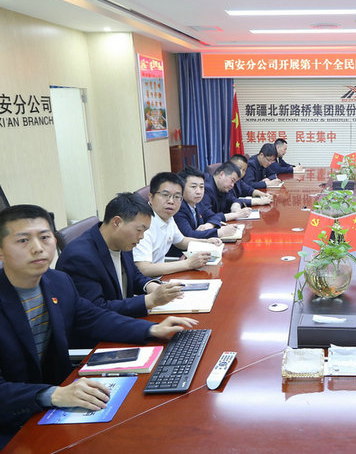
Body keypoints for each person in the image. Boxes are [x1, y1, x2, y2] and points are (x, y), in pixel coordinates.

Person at [0, 205, 197, 447]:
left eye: (44, 237)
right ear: (1, 251)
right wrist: (53, 394)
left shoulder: (57, 282)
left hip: (54, 407)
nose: (38, 248)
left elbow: (93, 317)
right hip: (11, 420)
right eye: (23, 240)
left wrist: (150, 330)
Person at [56, 193, 183, 321]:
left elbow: (133, 275)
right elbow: (96, 310)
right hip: (102, 329)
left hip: (122, 320)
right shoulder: (80, 258)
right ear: (117, 222)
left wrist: (152, 287)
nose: (141, 237)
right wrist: (149, 300)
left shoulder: (122, 241)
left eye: (145, 232)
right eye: (139, 230)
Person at [133, 172, 222, 277]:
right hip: (147, 282)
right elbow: (143, 269)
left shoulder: (167, 216)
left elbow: (181, 241)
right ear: (151, 197)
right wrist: (187, 264)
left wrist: (206, 242)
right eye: (165, 195)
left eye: (177, 196)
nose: (171, 201)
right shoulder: (143, 223)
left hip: (161, 276)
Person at [174, 166, 240, 240]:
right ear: (181, 188)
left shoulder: (198, 203)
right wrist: (220, 232)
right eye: (193, 187)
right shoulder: (178, 207)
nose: (198, 192)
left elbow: (214, 216)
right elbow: (189, 235)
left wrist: (210, 224)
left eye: (201, 187)